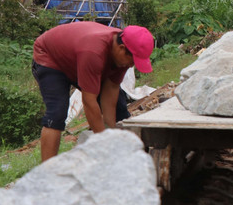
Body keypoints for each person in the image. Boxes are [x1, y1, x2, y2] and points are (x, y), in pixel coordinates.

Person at [32, 21, 154, 161]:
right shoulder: (94, 52)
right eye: (132, 61)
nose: (131, 65)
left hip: (78, 58)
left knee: (120, 109)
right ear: (121, 48)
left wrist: (110, 133)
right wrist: (103, 142)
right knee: (57, 112)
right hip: (50, 57)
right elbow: (89, 102)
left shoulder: (124, 52)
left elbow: (110, 94)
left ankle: (128, 156)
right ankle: (48, 171)